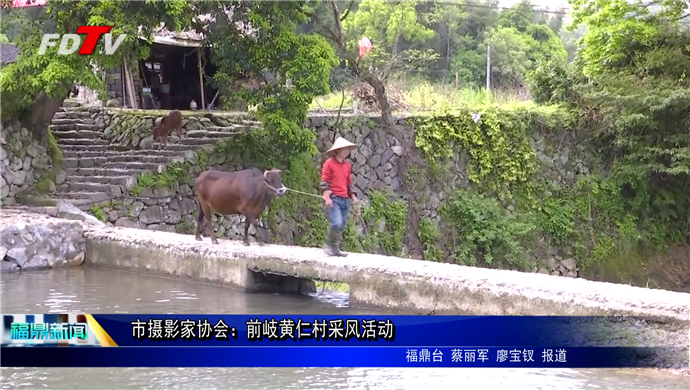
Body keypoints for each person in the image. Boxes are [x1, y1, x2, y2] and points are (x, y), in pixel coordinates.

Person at [320, 137, 359, 257]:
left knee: (342, 225)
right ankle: (328, 246)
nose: (346, 150)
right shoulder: (329, 163)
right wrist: (327, 197)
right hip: (334, 198)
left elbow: (348, 183)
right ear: (337, 150)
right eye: (343, 148)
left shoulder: (347, 165)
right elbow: (324, 181)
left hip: (345, 199)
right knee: (336, 222)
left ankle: (335, 249)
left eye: (347, 148)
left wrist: (353, 196)